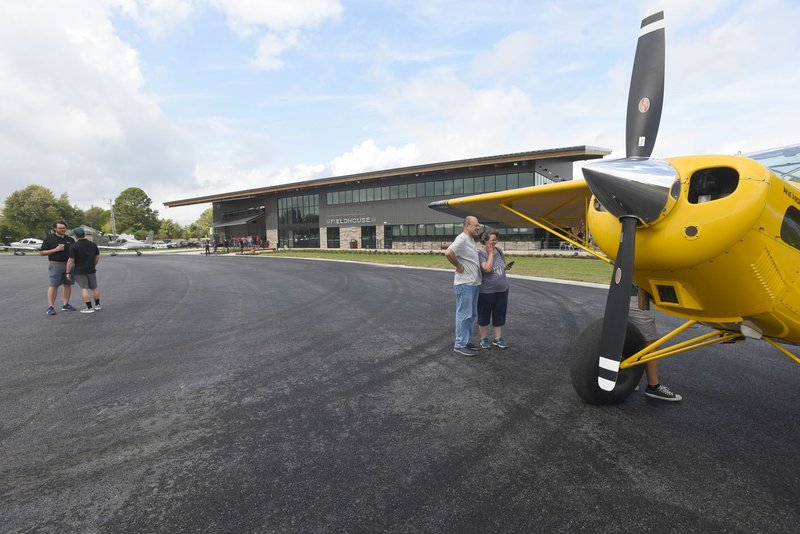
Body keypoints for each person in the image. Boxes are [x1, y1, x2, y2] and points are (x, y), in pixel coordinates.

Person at [629, 287, 682, 401]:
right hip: (636, 300)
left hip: (620, 295)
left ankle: (627, 380)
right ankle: (653, 386)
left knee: (628, 338)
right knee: (651, 343)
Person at [444, 216, 482, 356]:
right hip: (465, 283)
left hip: (473, 283)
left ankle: (465, 341)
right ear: (467, 225)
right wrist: (458, 265)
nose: (478, 228)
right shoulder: (462, 238)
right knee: (463, 314)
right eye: (475, 225)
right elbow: (448, 252)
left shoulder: (470, 239)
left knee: (470, 315)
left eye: (478, 225)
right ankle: (459, 344)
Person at [477, 231, 511, 350]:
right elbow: (487, 269)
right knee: (484, 315)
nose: (494, 242)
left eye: (496, 239)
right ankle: (483, 339)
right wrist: (490, 253)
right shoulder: (480, 253)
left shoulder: (500, 251)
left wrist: (505, 267)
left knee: (499, 314)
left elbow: (501, 265)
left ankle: (497, 339)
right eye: (492, 240)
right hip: (486, 291)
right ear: (485, 241)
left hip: (502, 289)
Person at [39, 220, 76, 315]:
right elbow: (42, 252)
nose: (62, 230)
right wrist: (55, 249)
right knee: (54, 285)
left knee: (67, 284)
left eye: (64, 228)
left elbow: (75, 252)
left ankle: (66, 304)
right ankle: (50, 307)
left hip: (69, 264)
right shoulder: (49, 239)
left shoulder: (70, 239)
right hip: (55, 264)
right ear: (55, 228)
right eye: (60, 228)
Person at [65, 227, 102, 314]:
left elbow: (71, 260)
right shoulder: (93, 244)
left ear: (75, 236)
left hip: (79, 270)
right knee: (94, 287)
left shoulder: (74, 246)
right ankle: (97, 305)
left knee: (84, 288)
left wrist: (67, 272)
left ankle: (89, 308)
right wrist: (93, 265)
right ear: (84, 234)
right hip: (91, 269)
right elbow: (97, 256)